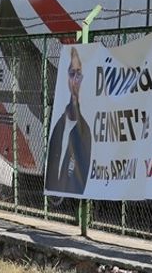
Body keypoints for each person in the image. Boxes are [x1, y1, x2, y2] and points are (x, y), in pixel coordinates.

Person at [45, 47, 91, 195]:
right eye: (72, 74)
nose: (75, 80)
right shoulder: (58, 124)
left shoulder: (85, 132)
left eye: (79, 74)